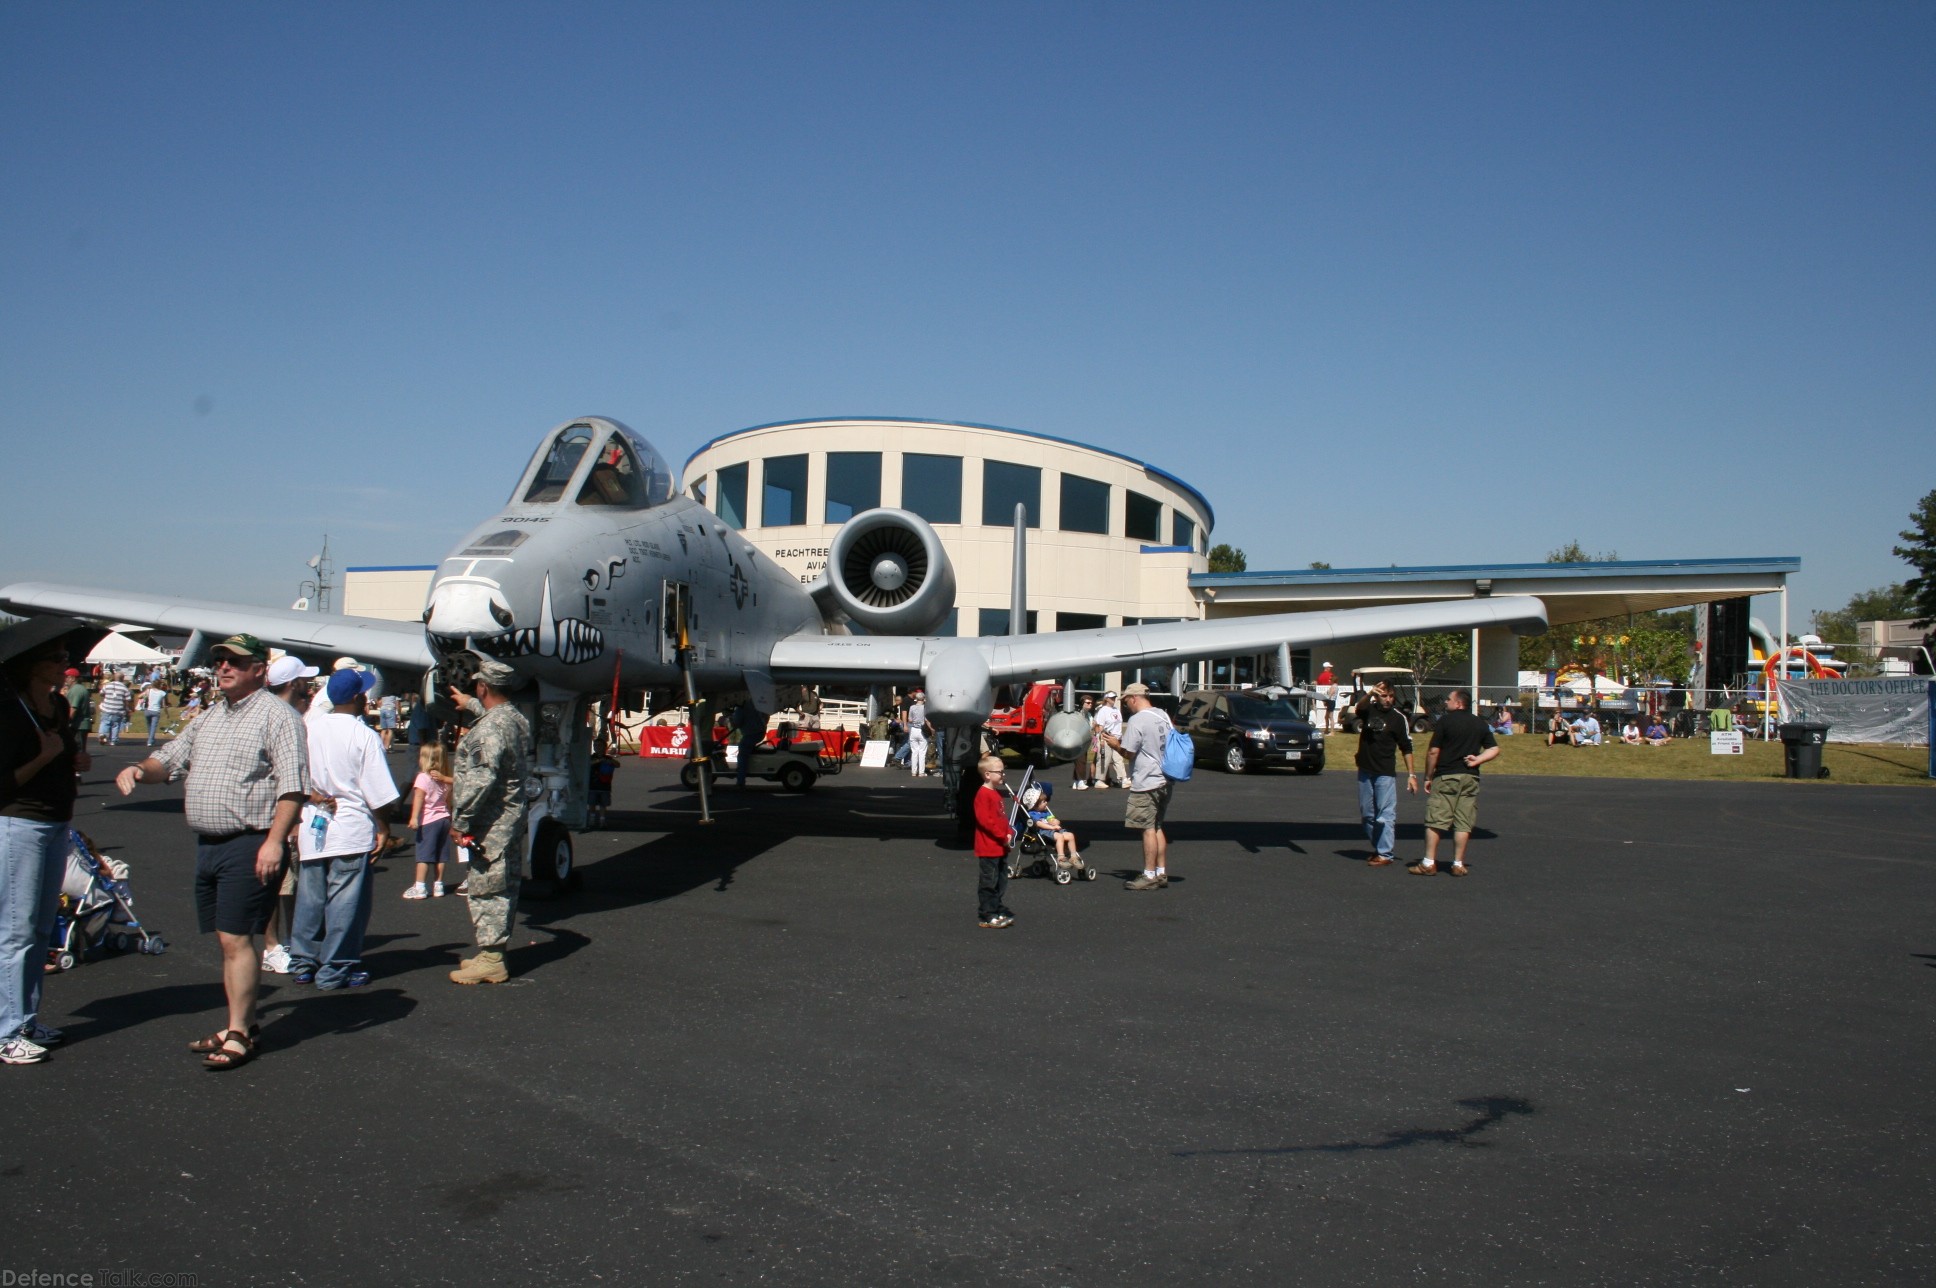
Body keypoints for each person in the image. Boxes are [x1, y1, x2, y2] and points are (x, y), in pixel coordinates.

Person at [116, 634, 307, 1070]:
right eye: (220, 660)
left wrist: (274, 841)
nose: (223, 667)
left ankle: (240, 1032)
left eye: (235, 662)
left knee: (237, 938)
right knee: (227, 939)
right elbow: (169, 759)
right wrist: (137, 769)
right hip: (210, 844)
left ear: (260, 668)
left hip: (249, 841)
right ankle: (240, 1023)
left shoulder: (278, 717)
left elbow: (293, 786)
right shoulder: (210, 716)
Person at [0, 622, 93, 1064]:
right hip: (19, 823)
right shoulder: (9, 711)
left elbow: (64, 752)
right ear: (32, 666)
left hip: (56, 820)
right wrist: (44, 755)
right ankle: (6, 1030)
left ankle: (26, 1017)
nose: (65, 665)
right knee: (15, 931)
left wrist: (73, 757)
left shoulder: (56, 705)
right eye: (56, 659)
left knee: (40, 929)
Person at [287, 667, 395, 989]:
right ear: (357, 697)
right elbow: (378, 792)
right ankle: (336, 967)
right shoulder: (363, 735)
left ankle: (304, 961)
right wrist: (384, 827)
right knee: (346, 904)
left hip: (313, 825)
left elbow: (295, 777)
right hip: (349, 828)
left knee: (309, 899)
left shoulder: (309, 729)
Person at [446, 655, 533, 985]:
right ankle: (490, 953)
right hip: (508, 819)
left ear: (483, 686)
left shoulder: (491, 731)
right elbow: (496, 720)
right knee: (502, 885)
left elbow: (482, 778)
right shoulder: (513, 718)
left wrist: (462, 821)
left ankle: (493, 960)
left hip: (491, 824)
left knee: (488, 889)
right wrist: (469, 703)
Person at [259, 654, 320, 976]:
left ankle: (296, 942)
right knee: (277, 885)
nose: (309, 688)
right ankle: (272, 946)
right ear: (294, 684)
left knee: (294, 885)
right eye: (305, 682)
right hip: (276, 817)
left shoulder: (296, 714)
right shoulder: (278, 718)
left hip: (295, 815)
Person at [1410, 689, 1499, 878]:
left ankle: (1428, 862)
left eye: (1449, 699)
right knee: (1463, 822)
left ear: (1458, 703)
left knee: (1436, 819)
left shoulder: (1445, 722)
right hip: (1470, 777)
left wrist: (1428, 776)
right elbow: (1494, 748)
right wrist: (1478, 760)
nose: (1445, 702)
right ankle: (1458, 863)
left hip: (1447, 775)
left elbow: (1433, 751)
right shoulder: (1479, 723)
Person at [1104, 682, 1174, 890]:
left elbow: (1129, 752)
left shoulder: (1137, 720)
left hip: (1147, 781)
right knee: (1157, 825)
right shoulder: (1162, 715)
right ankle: (1160, 872)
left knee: (1146, 828)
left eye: (1126, 702)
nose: (1126, 706)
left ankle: (1149, 874)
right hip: (1165, 778)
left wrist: (1116, 745)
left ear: (1134, 698)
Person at [1353, 681, 1417, 867]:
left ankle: (1385, 853)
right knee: (1367, 815)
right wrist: (1369, 693)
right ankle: (1380, 847)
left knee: (1385, 815)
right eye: (1383, 696)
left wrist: (1411, 775)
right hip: (1365, 770)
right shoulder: (1368, 710)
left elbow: (1407, 747)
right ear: (1377, 696)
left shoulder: (1398, 718)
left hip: (1385, 772)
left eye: (1390, 696)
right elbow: (1359, 708)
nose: (1388, 700)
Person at [971, 755, 1015, 928]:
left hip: (1000, 846)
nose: (1003, 775)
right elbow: (986, 821)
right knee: (989, 882)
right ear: (988, 774)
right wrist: (1002, 836)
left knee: (1001, 880)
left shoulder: (995, 794)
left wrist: (1009, 832)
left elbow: (1001, 818)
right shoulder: (983, 794)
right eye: (1000, 772)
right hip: (989, 847)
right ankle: (987, 914)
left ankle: (996, 908)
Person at [405, 743, 453, 898]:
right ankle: (438, 885)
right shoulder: (445, 779)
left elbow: (419, 797)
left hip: (429, 820)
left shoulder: (422, 778)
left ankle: (420, 886)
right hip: (444, 819)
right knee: (441, 854)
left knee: (424, 855)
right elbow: (448, 800)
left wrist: (414, 817)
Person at [1021, 781, 1082, 866]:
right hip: (1044, 832)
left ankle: (1073, 857)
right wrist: (1052, 828)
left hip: (1053, 830)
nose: (1046, 803)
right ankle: (1061, 858)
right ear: (1035, 805)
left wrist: (1055, 821)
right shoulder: (1033, 814)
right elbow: (1039, 824)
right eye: (1043, 802)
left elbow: (1051, 819)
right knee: (1060, 837)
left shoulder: (1045, 812)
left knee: (1071, 835)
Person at [1088, 692, 1125, 789]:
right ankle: (1099, 780)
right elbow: (1100, 726)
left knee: (1118, 759)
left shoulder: (1116, 710)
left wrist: (1120, 737)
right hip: (1106, 737)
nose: (1114, 699)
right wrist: (1101, 740)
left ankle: (1122, 778)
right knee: (1104, 759)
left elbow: (1118, 724)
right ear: (1107, 699)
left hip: (1117, 738)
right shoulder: (1103, 710)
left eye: (1114, 697)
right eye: (1111, 697)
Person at [96, 673, 132, 747]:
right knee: (115, 725)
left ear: (114, 678)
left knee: (104, 723)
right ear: (123, 678)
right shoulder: (124, 688)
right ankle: (113, 740)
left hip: (107, 708)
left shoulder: (107, 685)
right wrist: (127, 709)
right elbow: (128, 699)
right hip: (118, 710)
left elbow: (101, 693)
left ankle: (102, 734)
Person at [587, 741, 618, 825]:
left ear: (605, 747)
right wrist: (600, 760)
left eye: (599, 745)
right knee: (591, 804)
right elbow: (588, 763)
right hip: (592, 785)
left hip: (604, 786)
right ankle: (592, 819)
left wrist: (609, 761)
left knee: (603, 804)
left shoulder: (608, 758)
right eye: (595, 745)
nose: (597, 747)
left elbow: (617, 764)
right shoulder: (592, 757)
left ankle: (602, 820)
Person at [61, 669, 92, 752]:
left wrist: (64, 724)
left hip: (78, 726)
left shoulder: (76, 690)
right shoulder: (78, 688)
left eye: (66, 677)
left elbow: (73, 709)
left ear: (73, 678)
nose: (65, 679)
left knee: (77, 750)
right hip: (79, 725)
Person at [906, 689, 930, 779]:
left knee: (914, 751)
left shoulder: (912, 707)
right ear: (923, 699)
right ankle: (921, 772)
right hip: (922, 730)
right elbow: (927, 720)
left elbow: (910, 719)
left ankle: (913, 771)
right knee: (922, 752)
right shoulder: (925, 707)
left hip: (913, 729)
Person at [139, 678, 170, 746]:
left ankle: (151, 739)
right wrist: (167, 714)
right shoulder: (162, 693)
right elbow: (164, 705)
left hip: (148, 710)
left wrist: (146, 696)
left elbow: (139, 696)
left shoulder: (149, 691)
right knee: (153, 727)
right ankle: (150, 741)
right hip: (156, 711)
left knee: (149, 726)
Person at [1316, 661, 1338, 731]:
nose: (1330, 668)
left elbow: (1318, 683)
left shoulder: (1320, 676)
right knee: (1328, 716)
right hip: (1331, 701)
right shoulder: (1331, 675)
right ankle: (1327, 729)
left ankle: (1329, 730)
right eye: (1329, 667)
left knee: (1329, 716)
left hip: (1330, 701)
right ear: (1327, 668)